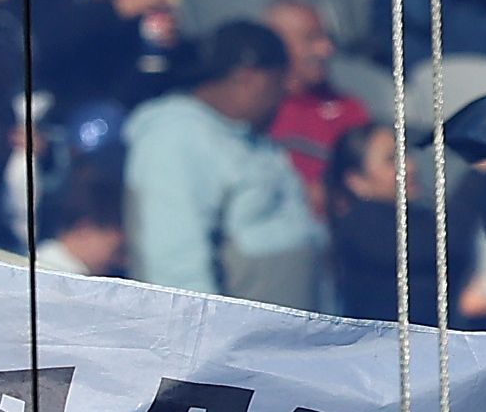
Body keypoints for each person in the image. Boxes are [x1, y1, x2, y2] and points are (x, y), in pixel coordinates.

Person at [125, 21, 331, 308]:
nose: (283, 98)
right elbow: (173, 264)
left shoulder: (254, 139)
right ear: (249, 78)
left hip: (293, 341)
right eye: (278, 85)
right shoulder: (176, 136)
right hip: (234, 345)